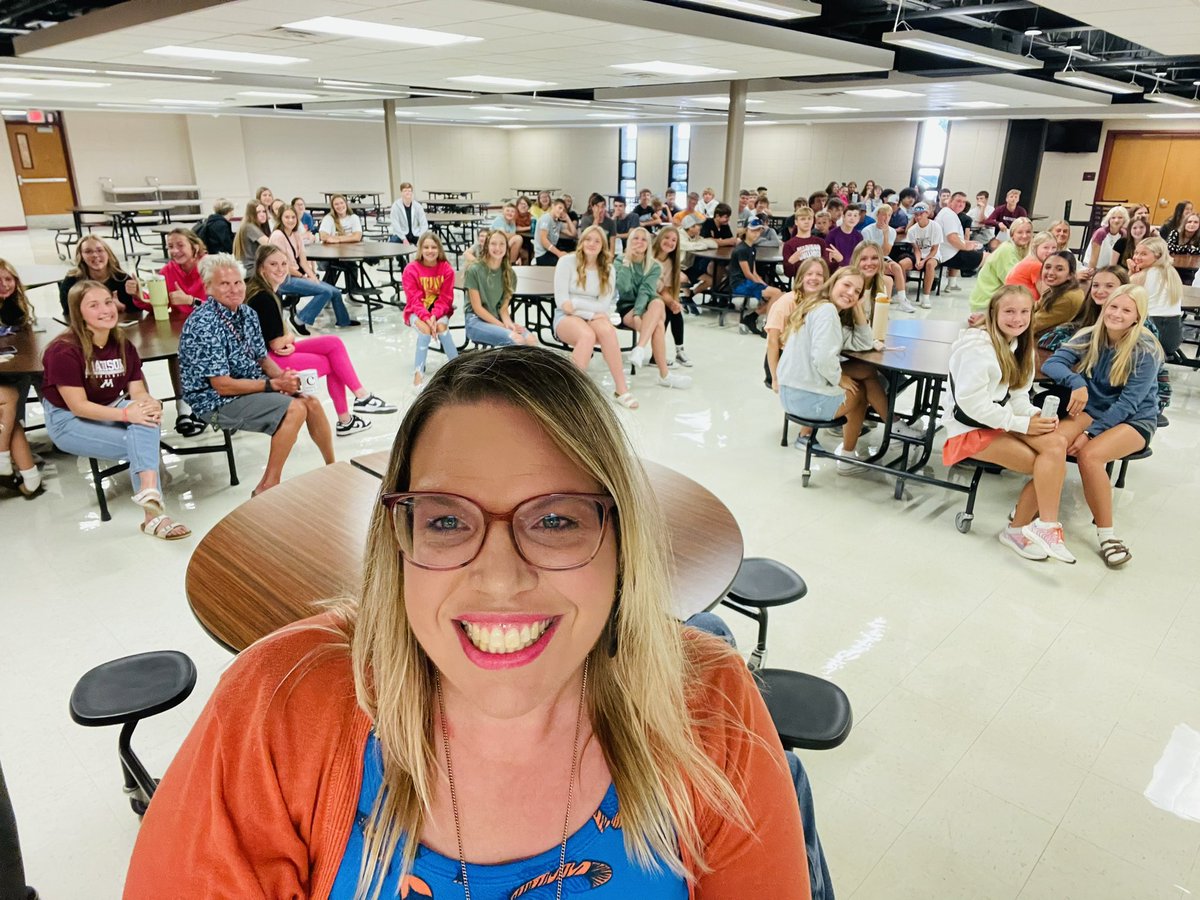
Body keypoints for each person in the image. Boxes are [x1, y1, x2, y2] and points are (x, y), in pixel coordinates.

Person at [124, 346, 810, 898]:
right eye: (447, 520)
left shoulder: (709, 703)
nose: (502, 578)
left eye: (557, 520)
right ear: (399, 540)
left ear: (622, 541)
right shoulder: (278, 703)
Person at [43, 280, 190, 537]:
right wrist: (126, 413)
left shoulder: (123, 344)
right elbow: (78, 406)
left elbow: (138, 392)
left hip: (110, 406)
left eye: (108, 302)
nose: (105, 309)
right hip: (67, 420)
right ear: (78, 313)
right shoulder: (63, 350)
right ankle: (154, 512)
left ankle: (150, 502)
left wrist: (150, 403)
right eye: (94, 305)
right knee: (141, 438)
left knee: (145, 419)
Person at [179, 254, 334, 496]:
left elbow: (262, 358)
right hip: (213, 403)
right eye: (224, 284)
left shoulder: (247, 314)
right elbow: (222, 386)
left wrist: (285, 379)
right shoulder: (204, 323)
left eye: (238, 282)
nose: (234, 289)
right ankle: (267, 486)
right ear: (208, 288)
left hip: (250, 386)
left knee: (310, 401)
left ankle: (332, 468)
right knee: (295, 409)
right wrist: (273, 385)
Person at [942, 285, 1072, 563]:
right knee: (1044, 464)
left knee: (1056, 443)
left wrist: (1033, 415)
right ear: (993, 313)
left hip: (998, 421)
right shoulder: (978, 348)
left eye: (1024, 311)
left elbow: (1017, 394)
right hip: (969, 428)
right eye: (1009, 311)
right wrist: (1020, 425)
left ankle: (1042, 526)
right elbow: (971, 405)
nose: (1017, 318)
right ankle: (1024, 529)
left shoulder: (1018, 344)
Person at [1043, 285, 1163, 568]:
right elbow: (1054, 364)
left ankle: (1108, 536)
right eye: (1113, 307)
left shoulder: (1146, 350)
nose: (1117, 314)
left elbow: (1128, 404)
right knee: (1054, 443)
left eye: (1126, 310)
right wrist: (1078, 383)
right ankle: (1039, 514)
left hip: (1136, 418)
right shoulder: (1090, 335)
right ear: (1104, 307)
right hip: (1094, 408)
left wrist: (1089, 434)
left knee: (1090, 455)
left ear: (1137, 317)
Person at [245, 245, 395, 437]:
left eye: (284, 263)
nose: (280, 269)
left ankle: (360, 399)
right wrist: (290, 337)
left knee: (334, 343)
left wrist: (287, 339)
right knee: (332, 364)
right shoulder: (264, 297)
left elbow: (274, 339)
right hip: (267, 361)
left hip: (270, 353)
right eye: (273, 264)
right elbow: (276, 344)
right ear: (261, 268)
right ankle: (347, 418)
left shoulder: (266, 290)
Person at [1038, 265, 1172, 427]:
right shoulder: (1092, 324)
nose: (1100, 291)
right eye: (1095, 285)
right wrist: (1076, 378)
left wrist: (1091, 432)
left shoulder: (1144, 339)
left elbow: (1132, 398)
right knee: (1044, 403)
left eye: (1109, 286)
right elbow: (1054, 343)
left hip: (1129, 404)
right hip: (1095, 396)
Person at [776, 268, 879, 471]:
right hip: (804, 398)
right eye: (846, 285)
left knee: (865, 372)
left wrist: (857, 308)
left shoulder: (819, 308)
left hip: (789, 394)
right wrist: (839, 378)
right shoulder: (827, 312)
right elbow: (823, 358)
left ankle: (895, 426)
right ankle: (848, 460)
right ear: (832, 283)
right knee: (859, 393)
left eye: (857, 291)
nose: (851, 293)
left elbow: (863, 342)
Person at [554, 225, 637, 409]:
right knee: (587, 335)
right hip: (565, 317)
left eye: (597, 241)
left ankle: (621, 390)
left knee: (607, 331)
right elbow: (563, 303)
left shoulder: (608, 269)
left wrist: (578, 306)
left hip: (592, 315)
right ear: (581, 241)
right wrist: (590, 312)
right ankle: (571, 393)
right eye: (588, 239)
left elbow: (604, 305)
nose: (592, 244)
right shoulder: (566, 262)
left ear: (603, 246)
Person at [616, 227, 691, 390]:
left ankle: (640, 348)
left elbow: (646, 291)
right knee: (658, 325)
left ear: (648, 244)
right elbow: (624, 288)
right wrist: (628, 261)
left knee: (657, 303)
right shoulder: (620, 260)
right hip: (626, 305)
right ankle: (664, 375)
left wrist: (638, 313)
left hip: (647, 304)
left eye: (644, 239)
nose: (639, 242)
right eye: (636, 238)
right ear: (629, 241)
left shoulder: (654, 266)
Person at [271, 205, 359, 333]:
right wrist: (303, 277)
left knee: (334, 291)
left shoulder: (295, 234)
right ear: (281, 218)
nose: (290, 220)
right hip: (283, 279)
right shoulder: (278, 236)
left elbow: (303, 260)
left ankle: (343, 321)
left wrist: (312, 276)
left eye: (293, 217)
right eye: (287, 217)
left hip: (296, 275)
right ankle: (298, 320)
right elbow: (282, 266)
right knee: (325, 292)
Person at [0, 261, 41, 498]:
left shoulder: (14, 307)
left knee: (10, 408)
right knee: (10, 399)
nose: (5, 285)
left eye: (9, 279)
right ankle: (21, 470)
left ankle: (18, 468)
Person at [402, 231, 459, 392]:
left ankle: (457, 366)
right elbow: (414, 300)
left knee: (441, 328)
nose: (430, 251)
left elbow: (446, 299)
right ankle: (418, 374)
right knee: (425, 331)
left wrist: (434, 316)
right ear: (420, 249)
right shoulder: (411, 269)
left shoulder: (446, 269)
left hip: (440, 313)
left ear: (439, 249)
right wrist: (427, 318)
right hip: (415, 312)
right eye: (426, 247)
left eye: (434, 247)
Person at [464, 230, 538, 348]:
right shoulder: (474, 270)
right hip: (475, 321)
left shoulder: (510, 274)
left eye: (502, 244)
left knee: (531, 340)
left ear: (506, 247)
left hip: (498, 319)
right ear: (487, 246)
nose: (497, 248)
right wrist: (503, 326)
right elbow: (477, 308)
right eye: (493, 243)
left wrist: (510, 325)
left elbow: (503, 309)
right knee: (517, 340)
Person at [767, 258, 827, 394]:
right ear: (801, 278)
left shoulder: (824, 303)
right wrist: (775, 378)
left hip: (807, 359)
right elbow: (772, 342)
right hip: (783, 359)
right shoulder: (787, 301)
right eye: (809, 274)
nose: (814, 278)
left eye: (819, 274)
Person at [1129, 235, 1184, 360]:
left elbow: (1122, 298)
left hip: (1150, 332)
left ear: (1157, 256)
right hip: (1174, 335)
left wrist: (1130, 273)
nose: (1137, 257)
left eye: (1143, 254)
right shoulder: (1172, 273)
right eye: (1136, 252)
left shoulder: (1141, 276)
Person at [968, 217, 1033, 322]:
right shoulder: (1007, 250)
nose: (1024, 236)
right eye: (1020, 232)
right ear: (1012, 234)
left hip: (998, 300)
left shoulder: (1022, 250)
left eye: (1028, 232)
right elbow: (1013, 283)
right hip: (987, 303)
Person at [59, 234, 140, 317]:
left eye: (99, 250)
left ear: (108, 253)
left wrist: (137, 296)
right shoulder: (72, 281)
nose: (95, 255)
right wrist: (109, 307)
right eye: (88, 251)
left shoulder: (122, 279)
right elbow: (68, 312)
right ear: (81, 256)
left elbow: (137, 311)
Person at [729, 217, 782, 335]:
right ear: (746, 230)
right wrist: (762, 287)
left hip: (748, 282)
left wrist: (764, 285)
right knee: (776, 293)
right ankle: (766, 324)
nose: (756, 234)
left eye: (758, 231)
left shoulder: (752, 248)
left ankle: (752, 317)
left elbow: (754, 273)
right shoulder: (741, 249)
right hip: (740, 284)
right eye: (753, 230)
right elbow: (747, 274)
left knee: (777, 294)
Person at [651, 225, 692, 367]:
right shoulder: (649, 257)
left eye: (674, 240)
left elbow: (665, 289)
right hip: (644, 296)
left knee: (674, 309)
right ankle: (656, 356)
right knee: (666, 307)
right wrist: (668, 302)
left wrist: (673, 302)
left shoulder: (670, 263)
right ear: (659, 238)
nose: (670, 242)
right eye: (667, 238)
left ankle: (679, 350)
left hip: (658, 295)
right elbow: (647, 288)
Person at [859, 203, 911, 311]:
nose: (885, 218)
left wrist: (886, 235)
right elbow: (869, 252)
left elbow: (886, 252)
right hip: (870, 259)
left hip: (884, 258)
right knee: (891, 266)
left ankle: (902, 300)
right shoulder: (867, 231)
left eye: (888, 215)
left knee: (897, 267)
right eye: (883, 215)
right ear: (878, 215)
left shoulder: (891, 231)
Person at [935, 192, 984, 291]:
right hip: (948, 255)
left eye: (964, 202)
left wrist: (967, 244)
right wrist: (966, 246)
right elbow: (952, 238)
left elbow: (957, 238)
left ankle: (952, 284)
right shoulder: (949, 215)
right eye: (958, 201)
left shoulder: (948, 213)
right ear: (950, 202)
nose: (961, 204)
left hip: (948, 251)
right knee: (989, 259)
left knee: (981, 250)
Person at [317, 194, 364, 294]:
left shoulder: (353, 217)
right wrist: (348, 237)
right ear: (333, 207)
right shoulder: (329, 218)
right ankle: (326, 294)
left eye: (341, 203)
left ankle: (352, 293)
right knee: (334, 266)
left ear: (346, 204)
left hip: (350, 253)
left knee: (351, 265)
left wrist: (337, 239)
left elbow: (357, 237)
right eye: (336, 204)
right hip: (330, 255)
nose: (340, 206)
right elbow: (323, 236)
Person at [1032, 251, 1084, 339]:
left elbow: (1033, 325)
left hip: (1045, 346)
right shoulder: (1055, 289)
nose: (1051, 272)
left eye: (1059, 269)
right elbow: (1034, 307)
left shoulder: (1067, 297)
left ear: (1070, 275)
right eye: (1047, 267)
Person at [157, 228, 207, 314]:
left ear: (195, 247)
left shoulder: (213, 268)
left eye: (180, 245)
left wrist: (190, 301)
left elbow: (223, 310)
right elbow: (159, 306)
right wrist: (138, 295)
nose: (175, 251)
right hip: (180, 325)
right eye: (170, 247)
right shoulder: (166, 271)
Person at [902, 204, 942, 308]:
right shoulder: (912, 230)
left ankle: (926, 297)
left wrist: (923, 261)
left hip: (933, 255)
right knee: (902, 264)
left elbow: (934, 250)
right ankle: (902, 295)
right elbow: (916, 249)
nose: (918, 217)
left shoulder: (935, 227)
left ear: (927, 214)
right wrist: (918, 260)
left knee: (929, 265)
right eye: (916, 215)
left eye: (921, 214)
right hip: (919, 254)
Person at [1003, 230, 1057, 303]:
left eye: (1054, 248)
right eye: (1046, 247)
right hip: (1020, 305)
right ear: (1035, 248)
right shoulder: (1037, 265)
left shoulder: (1029, 259)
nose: (1050, 251)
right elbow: (1047, 295)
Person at [782, 207, 831, 280]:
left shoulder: (820, 242)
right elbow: (788, 274)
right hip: (800, 284)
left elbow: (826, 268)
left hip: (819, 283)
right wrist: (790, 263)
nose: (806, 222)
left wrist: (837, 261)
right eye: (803, 219)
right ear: (796, 222)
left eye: (809, 218)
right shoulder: (789, 245)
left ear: (813, 221)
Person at [679, 214, 717, 302]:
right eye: (698, 225)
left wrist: (701, 243)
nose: (701, 227)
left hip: (688, 267)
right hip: (676, 267)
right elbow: (688, 246)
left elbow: (714, 244)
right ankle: (687, 299)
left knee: (710, 280)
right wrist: (702, 244)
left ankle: (688, 298)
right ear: (690, 227)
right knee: (684, 279)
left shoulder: (695, 237)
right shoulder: (679, 235)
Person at [1084, 205, 1128, 276]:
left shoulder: (1124, 234)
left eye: (1120, 218)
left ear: (1124, 220)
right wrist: (1091, 273)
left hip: (1108, 270)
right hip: (1094, 268)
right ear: (1108, 220)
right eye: (1113, 218)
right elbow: (1093, 259)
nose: (1116, 220)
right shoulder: (1101, 233)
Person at [534, 198, 576, 267]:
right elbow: (543, 240)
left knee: (570, 259)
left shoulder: (558, 223)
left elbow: (573, 234)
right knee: (566, 264)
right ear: (553, 206)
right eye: (560, 208)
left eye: (563, 210)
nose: (561, 211)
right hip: (542, 255)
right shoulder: (546, 218)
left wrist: (567, 218)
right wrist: (559, 253)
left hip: (551, 252)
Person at [233, 200, 271, 273]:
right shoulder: (249, 227)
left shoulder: (248, 226)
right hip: (252, 271)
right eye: (258, 212)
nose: (262, 214)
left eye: (264, 211)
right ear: (251, 214)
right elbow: (271, 245)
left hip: (253, 270)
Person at [388, 182, 429, 246]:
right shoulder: (395, 206)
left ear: (412, 193)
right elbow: (395, 225)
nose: (408, 192)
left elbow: (424, 225)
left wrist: (421, 238)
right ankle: (400, 256)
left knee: (427, 242)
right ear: (401, 193)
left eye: (409, 191)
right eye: (405, 191)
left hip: (415, 233)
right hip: (401, 234)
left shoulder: (418, 206)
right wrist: (403, 239)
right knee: (393, 243)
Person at [826, 204, 863, 271]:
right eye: (849, 215)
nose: (852, 218)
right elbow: (829, 259)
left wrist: (842, 260)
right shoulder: (832, 235)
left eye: (855, 216)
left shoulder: (859, 237)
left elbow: (859, 260)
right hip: (836, 272)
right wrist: (841, 262)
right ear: (843, 216)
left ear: (858, 219)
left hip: (852, 271)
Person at [1166, 212, 1200, 284]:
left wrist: (1179, 249)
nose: (1192, 224)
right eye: (1189, 222)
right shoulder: (1175, 233)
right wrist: (1188, 248)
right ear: (1184, 223)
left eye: (1196, 222)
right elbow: (1169, 247)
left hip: (1191, 269)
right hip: (1172, 266)